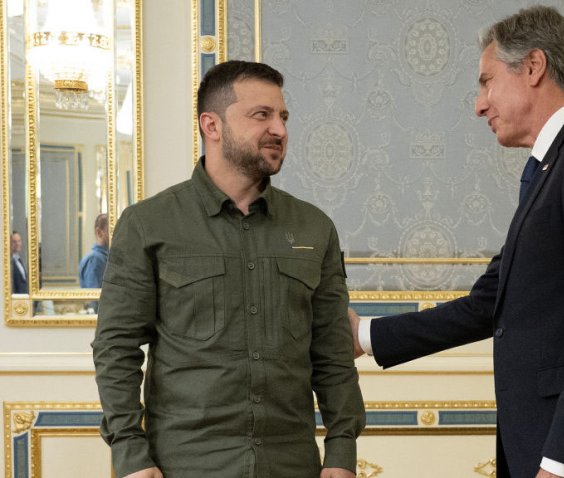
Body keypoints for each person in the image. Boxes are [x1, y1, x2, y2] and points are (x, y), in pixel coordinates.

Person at [348, 6, 564, 478]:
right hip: (549, 446)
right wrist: (366, 335)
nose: (479, 104)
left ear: (533, 67)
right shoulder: (553, 169)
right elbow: (488, 304)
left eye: (486, 81)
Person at [92, 60, 365, 478]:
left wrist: (342, 452)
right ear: (212, 126)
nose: (279, 129)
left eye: (283, 116)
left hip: (292, 465)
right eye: (262, 115)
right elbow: (116, 348)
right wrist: (131, 455)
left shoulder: (314, 227)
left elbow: (332, 350)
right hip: (186, 465)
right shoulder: (149, 224)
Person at [78, 212, 109, 288]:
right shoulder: (94, 259)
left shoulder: (105, 258)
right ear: (99, 232)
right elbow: (95, 296)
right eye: (111, 230)